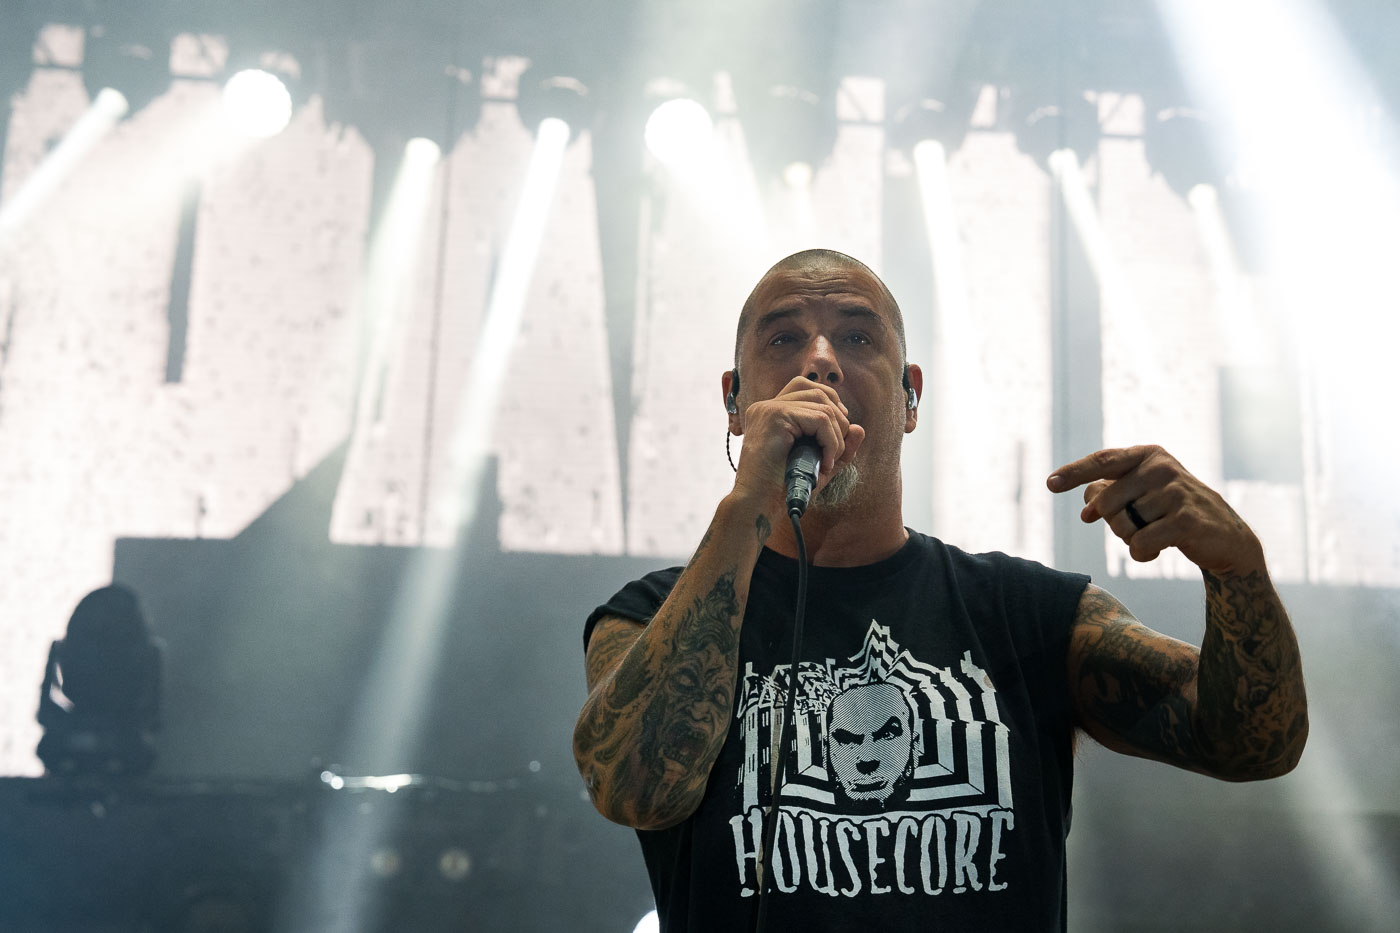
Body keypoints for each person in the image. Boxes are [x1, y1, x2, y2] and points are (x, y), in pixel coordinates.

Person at [572, 249, 1307, 931]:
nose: (820, 361)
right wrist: (746, 505)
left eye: (858, 340)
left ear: (909, 396)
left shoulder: (1025, 613)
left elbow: (1250, 742)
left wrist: (1238, 571)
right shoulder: (648, 615)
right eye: (783, 341)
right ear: (735, 402)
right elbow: (634, 786)